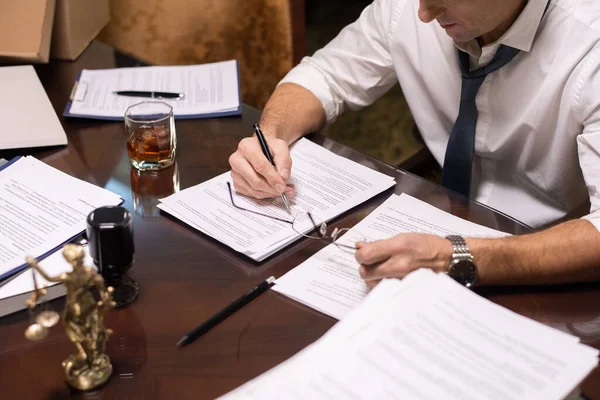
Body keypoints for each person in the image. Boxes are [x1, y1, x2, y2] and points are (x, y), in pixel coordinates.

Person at [228, 0, 600, 287]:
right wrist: (270, 135)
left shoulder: (590, 45)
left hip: (550, 259)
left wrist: (455, 256)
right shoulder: (411, 6)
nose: (423, 14)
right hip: (435, 221)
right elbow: (325, 76)